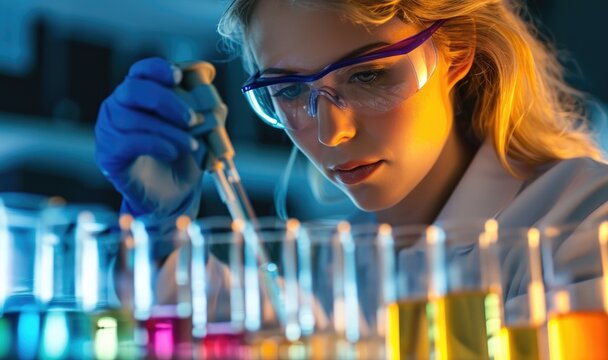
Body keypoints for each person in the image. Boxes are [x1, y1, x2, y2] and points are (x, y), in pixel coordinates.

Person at [97, 0, 608, 330]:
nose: (329, 132)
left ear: (456, 55)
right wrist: (159, 238)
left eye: (367, 75)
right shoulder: (339, 263)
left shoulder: (586, 220)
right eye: (290, 90)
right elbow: (262, 324)